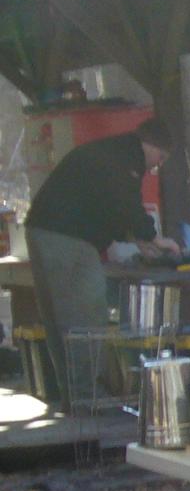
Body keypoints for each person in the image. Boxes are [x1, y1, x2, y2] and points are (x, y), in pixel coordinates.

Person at [24, 116, 180, 406]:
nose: (155, 167)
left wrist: (137, 239)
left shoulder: (108, 152)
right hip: (69, 239)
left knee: (59, 321)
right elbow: (127, 203)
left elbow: (107, 207)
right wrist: (154, 238)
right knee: (86, 315)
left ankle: (72, 394)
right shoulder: (128, 158)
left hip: (41, 231)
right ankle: (87, 395)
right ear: (150, 145)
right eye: (159, 158)